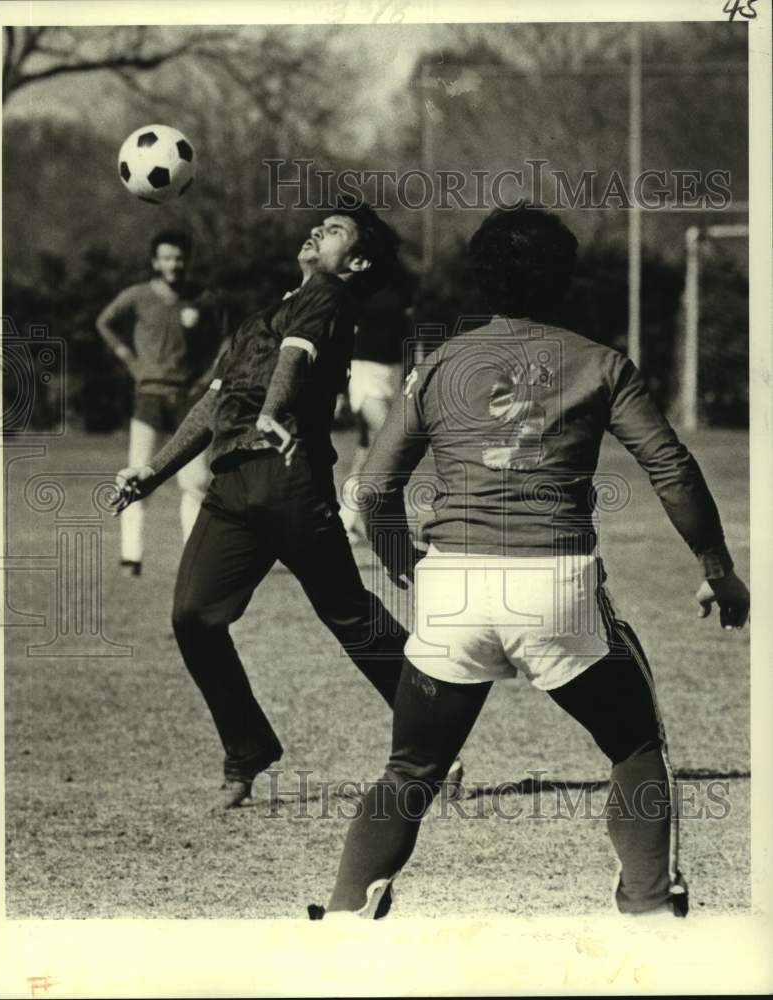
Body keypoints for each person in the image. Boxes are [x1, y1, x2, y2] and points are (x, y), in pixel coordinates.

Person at [311, 204, 750, 920]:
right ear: (567, 282)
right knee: (635, 744)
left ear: (482, 282)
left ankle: (338, 921)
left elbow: (374, 489)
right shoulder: (602, 363)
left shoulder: (441, 364)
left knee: (412, 770)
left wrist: (405, 565)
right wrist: (716, 565)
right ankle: (647, 911)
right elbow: (670, 465)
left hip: (453, 588)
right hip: (556, 588)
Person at [111, 205, 462, 810]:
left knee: (349, 615)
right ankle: (247, 749)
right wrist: (154, 470)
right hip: (231, 487)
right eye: (318, 225)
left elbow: (295, 359)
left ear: (355, 262)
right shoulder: (264, 314)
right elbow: (212, 405)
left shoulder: (328, 296)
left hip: (289, 481)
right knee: (193, 616)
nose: (316, 232)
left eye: (334, 232)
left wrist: (274, 411)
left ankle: (438, 740)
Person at [97, 230, 224, 577]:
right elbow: (104, 322)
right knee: (137, 475)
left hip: (188, 400)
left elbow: (226, 337)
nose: (174, 264)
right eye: (167, 257)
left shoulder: (201, 298)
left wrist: (210, 374)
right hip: (149, 399)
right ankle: (131, 557)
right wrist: (129, 358)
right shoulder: (137, 296)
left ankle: (192, 557)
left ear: (187, 261)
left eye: (179, 257)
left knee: (195, 481)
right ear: (155, 262)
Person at [340, 263, 417, 543]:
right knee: (390, 437)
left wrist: (411, 369)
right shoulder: (355, 285)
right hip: (363, 369)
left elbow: (408, 330)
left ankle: (345, 521)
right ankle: (386, 522)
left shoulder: (402, 283)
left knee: (367, 452)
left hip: (393, 371)